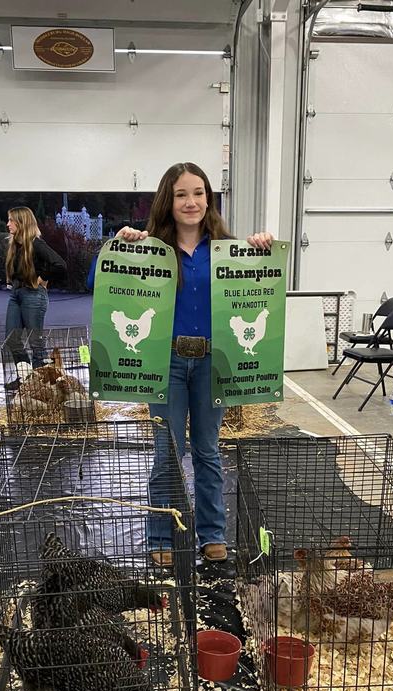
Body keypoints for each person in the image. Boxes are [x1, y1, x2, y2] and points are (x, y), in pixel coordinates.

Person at [93, 162, 273, 565]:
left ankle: (212, 533)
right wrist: (120, 243)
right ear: (167, 201)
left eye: (198, 192)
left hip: (213, 362)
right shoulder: (149, 249)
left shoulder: (231, 251)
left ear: (209, 197)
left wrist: (262, 246)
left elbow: (267, 279)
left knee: (208, 450)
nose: (190, 202)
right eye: (180, 194)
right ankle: (161, 535)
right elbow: (98, 280)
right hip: (166, 362)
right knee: (166, 450)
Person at [4, 206, 67, 383]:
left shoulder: (36, 243)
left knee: (36, 342)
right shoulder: (15, 245)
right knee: (12, 339)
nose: (8, 224)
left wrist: (43, 277)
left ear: (22, 222)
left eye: (11, 220)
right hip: (16, 293)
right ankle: (27, 377)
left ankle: (41, 381)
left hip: (33, 293)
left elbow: (59, 264)